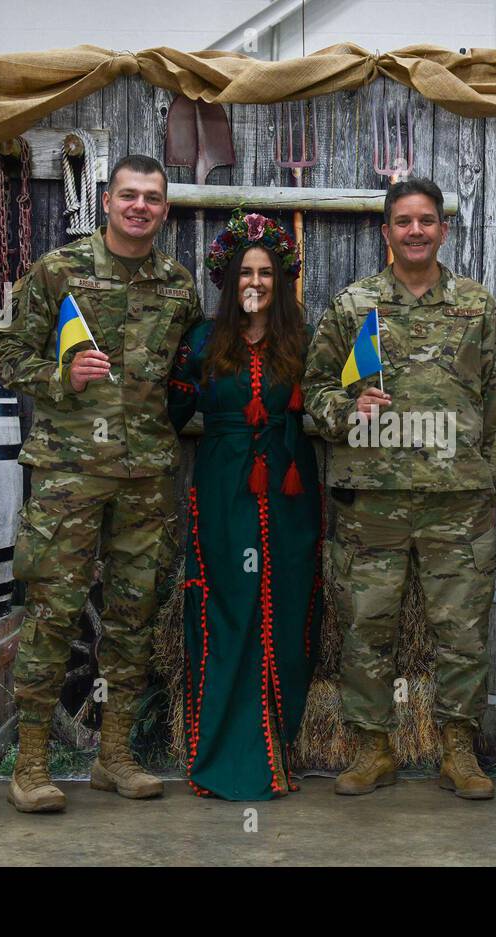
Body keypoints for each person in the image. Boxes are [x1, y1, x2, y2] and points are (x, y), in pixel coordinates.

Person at [0, 154, 203, 813]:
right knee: (54, 613)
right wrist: (63, 378)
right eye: (129, 195)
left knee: (133, 617)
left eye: (153, 198)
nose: (141, 206)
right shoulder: (60, 271)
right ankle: (30, 766)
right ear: (107, 201)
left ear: (165, 211)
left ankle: (115, 756)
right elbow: (7, 354)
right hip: (70, 474)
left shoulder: (179, 284)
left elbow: (182, 377)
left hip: (146, 478)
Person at [303, 177, 496, 800]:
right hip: (373, 501)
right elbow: (314, 392)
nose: (416, 231)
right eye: (404, 222)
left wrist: (490, 477)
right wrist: (347, 411)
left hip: (459, 503)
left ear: (444, 229)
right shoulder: (353, 306)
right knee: (365, 628)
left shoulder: (476, 305)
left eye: (427, 221)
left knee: (463, 631)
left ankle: (458, 748)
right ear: (387, 231)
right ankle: (374, 748)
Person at [168, 210, 321, 800]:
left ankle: (280, 750)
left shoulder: (303, 342)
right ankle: (221, 757)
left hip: (289, 493)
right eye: (244, 273)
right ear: (228, 283)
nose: (254, 282)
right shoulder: (203, 342)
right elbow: (168, 415)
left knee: (285, 612)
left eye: (265, 273)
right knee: (226, 611)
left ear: (280, 282)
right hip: (224, 490)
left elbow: (333, 402)